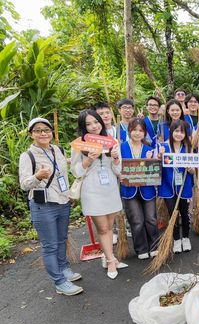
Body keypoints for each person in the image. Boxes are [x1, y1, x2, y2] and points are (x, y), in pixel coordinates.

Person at [19, 117, 82, 295]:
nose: (43, 133)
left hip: (62, 202)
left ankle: (64, 268)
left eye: (46, 130)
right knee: (50, 245)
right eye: (38, 130)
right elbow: (24, 184)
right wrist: (37, 176)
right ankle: (59, 282)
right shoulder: (28, 156)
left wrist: (69, 194)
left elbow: (63, 174)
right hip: (43, 205)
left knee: (62, 239)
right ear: (31, 134)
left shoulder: (58, 150)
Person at [71, 109, 125, 279]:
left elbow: (117, 169)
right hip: (92, 189)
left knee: (109, 227)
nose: (93, 126)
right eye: (88, 124)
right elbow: (76, 172)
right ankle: (110, 261)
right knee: (102, 228)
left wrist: (116, 158)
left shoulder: (111, 141)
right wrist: (88, 160)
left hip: (110, 188)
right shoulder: (79, 144)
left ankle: (109, 256)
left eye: (95, 122)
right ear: (83, 126)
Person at [120, 118, 159, 260]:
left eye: (140, 130)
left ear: (144, 133)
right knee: (137, 221)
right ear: (129, 131)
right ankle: (141, 248)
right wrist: (120, 174)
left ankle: (154, 246)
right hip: (129, 191)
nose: (137, 133)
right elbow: (116, 167)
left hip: (147, 190)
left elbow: (155, 171)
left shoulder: (149, 150)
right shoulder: (121, 148)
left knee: (151, 219)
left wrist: (152, 160)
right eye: (134, 130)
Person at [158, 120, 194, 254]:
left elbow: (193, 170)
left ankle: (185, 238)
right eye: (176, 131)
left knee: (184, 213)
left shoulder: (188, 148)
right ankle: (176, 239)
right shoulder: (163, 147)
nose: (179, 134)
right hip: (168, 186)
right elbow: (157, 168)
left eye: (182, 132)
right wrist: (159, 156)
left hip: (183, 185)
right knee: (173, 213)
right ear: (171, 131)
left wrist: (190, 169)